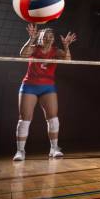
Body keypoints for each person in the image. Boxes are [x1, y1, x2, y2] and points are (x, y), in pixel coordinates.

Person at [14, 23, 77, 161]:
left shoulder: (55, 51)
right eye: (45, 36)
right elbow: (22, 54)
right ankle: (20, 151)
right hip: (29, 86)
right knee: (24, 119)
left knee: (53, 118)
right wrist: (31, 39)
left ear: (53, 39)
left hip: (47, 87)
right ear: (40, 38)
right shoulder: (34, 48)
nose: (48, 38)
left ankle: (54, 148)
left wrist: (66, 46)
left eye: (51, 36)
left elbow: (68, 61)